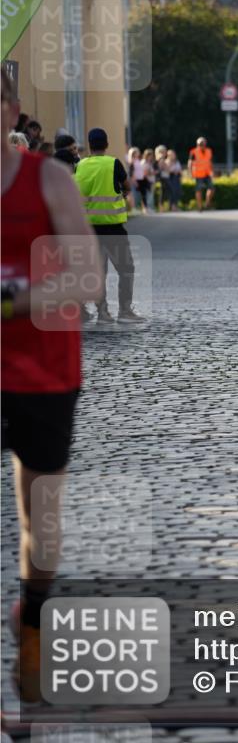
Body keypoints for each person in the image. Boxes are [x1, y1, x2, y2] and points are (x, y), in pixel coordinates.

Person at [1, 65, 102, 702]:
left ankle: (34, 619)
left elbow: (87, 278)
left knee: (40, 522)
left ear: (11, 111)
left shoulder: (48, 180)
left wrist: (11, 299)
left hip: (41, 370)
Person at [75, 127, 144, 325]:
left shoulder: (80, 165)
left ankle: (103, 313)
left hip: (89, 230)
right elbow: (127, 186)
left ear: (90, 145)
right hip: (113, 228)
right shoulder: (113, 163)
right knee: (126, 268)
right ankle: (125, 311)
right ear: (106, 144)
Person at [188, 136, 215, 211]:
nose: (202, 145)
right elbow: (190, 163)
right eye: (200, 144)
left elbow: (210, 162)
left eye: (203, 143)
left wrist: (212, 171)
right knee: (198, 190)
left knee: (211, 189)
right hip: (198, 174)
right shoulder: (193, 151)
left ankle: (207, 203)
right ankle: (200, 207)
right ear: (197, 144)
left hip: (207, 173)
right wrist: (190, 173)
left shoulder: (209, 151)